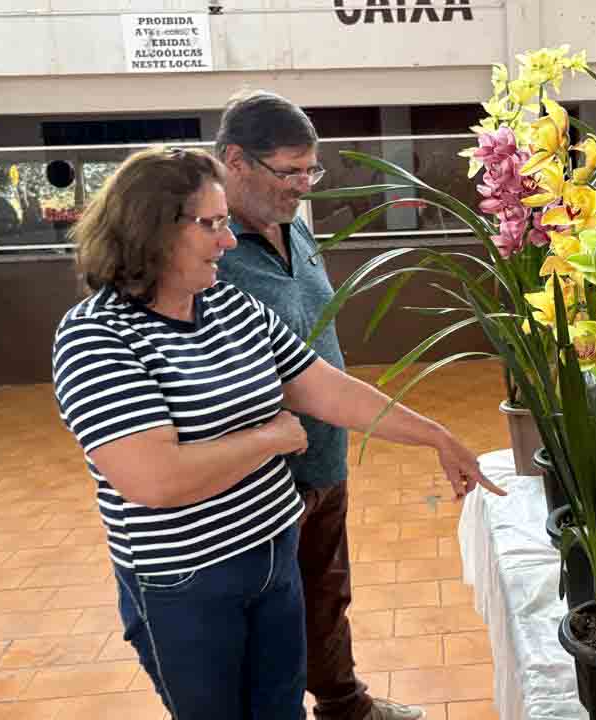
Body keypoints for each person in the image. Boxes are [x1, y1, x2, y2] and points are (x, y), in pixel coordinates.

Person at [51, 146, 502, 720]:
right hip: (187, 583)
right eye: (211, 225)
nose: (229, 240)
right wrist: (271, 440)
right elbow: (154, 480)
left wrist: (436, 435)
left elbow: (324, 387)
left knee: (280, 708)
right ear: (151, 231)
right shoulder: (98, 337)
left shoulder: (228, 306)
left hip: (271, 553)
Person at [212, 90, 430, 720]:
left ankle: (343, 703)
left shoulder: (296, 225)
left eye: (312, 171)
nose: (304, 186)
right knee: (268, 617)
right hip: (257, 475)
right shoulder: (204, 249)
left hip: (324, 454)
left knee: (328, 592)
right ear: (235, 161)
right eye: (290, 172)